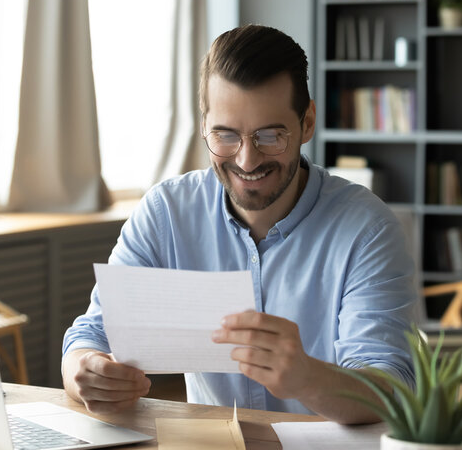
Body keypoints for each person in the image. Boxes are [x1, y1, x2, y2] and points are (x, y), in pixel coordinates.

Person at [62, 24, 417, 424]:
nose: (247, 161)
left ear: (307, 122)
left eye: (270, 136)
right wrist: (84, 372)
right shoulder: (166, 213)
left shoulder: (368, 230)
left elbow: (392, 388)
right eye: (226, 135)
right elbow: (90, 335)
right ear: (204, 127)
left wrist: (307, 378)